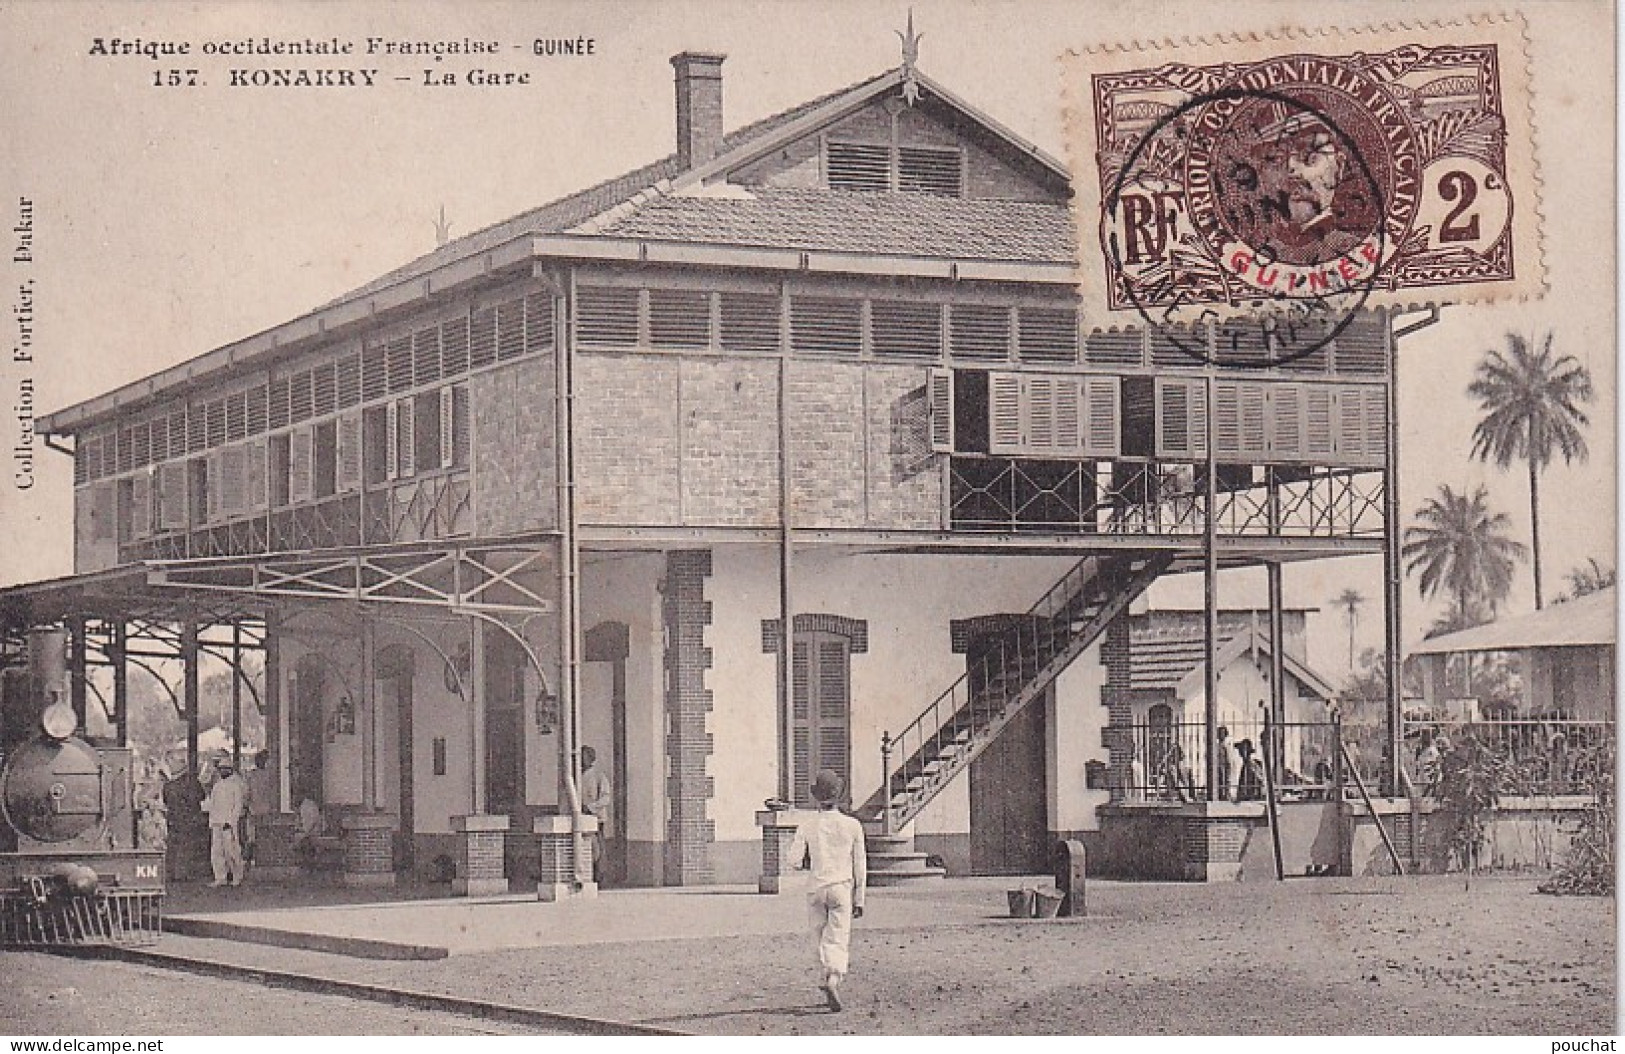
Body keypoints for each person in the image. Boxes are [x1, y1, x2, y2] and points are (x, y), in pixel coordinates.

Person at [788, 769, 867, 1012]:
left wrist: (806, 861)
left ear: (816, 797)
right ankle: (833, 978)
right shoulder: (852, 825)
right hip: (842, 887)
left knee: (818, 936)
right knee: (838, 936)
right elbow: (860, 864)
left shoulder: (807, 825)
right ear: (839, 795)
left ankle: (826, 973)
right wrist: (860, 898)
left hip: (816, 888)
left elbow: (793, 860)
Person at [201, 757, 249, 887]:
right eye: (221, 769)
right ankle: (220, 877)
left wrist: (231, 821)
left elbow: (238, 805)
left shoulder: (236, 785)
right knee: (217, 852)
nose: (223, 771)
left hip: (228, 824)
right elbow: (213, 805)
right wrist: (212, 822)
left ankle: (237, 876)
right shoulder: (217, 786)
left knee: (231, 851)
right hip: (217, 823)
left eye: (225, 769)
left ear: (230, 770)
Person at [579, 746, 612, 884]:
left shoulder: (599, 776)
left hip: (596, 817)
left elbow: (606, 798)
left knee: (597, 847)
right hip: (581, 817)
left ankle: (600, 875)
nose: (581, 760)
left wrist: (591, 807)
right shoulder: (576, 775)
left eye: (584, 757)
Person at [244, 750, 275, 867]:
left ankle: (256, 859)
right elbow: (247, 793)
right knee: (254, 836)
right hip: (258, 809)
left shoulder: (260, 775)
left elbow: (247, 793)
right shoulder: (256, 775)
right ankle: (250, 860)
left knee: (255, 836)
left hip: (260, 809)